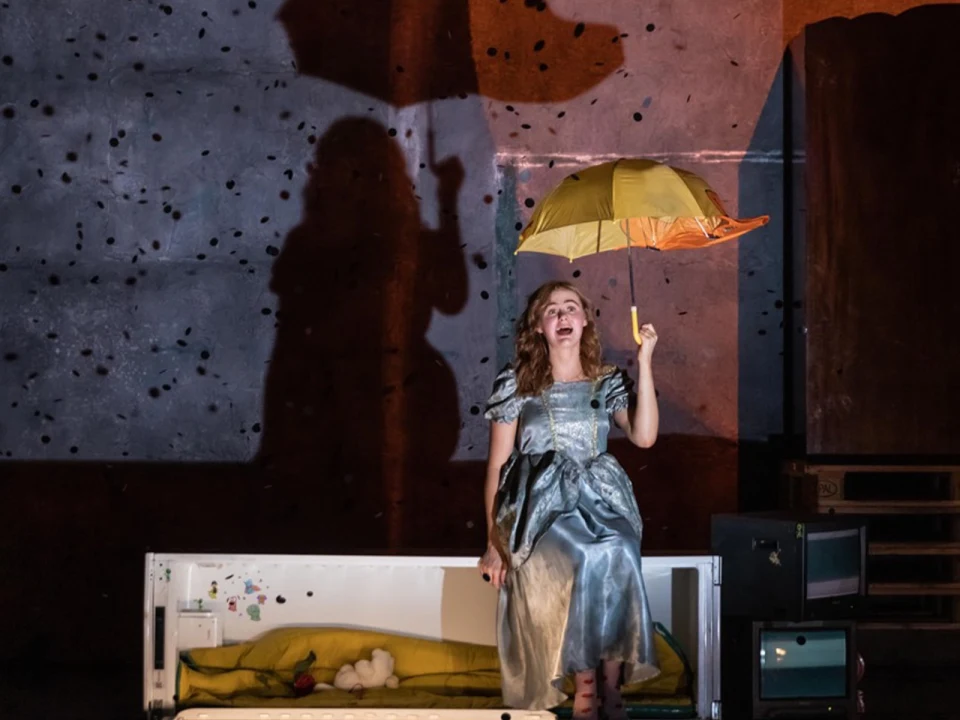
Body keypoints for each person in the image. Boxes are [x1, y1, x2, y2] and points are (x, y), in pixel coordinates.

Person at [478, 280, 661, 719]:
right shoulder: (519, 382)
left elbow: (644, 436)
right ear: (539, 326)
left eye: (571, 308)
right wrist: (493, 541)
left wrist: (646, 361)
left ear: (584, 320)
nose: (562, 317)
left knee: (617, 549)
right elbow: (496, 466)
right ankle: (584, 687)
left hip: (601, 496)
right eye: (552, 311)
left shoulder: (606, 380)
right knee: (582, 556)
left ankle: (611, 686)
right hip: (542, 505)